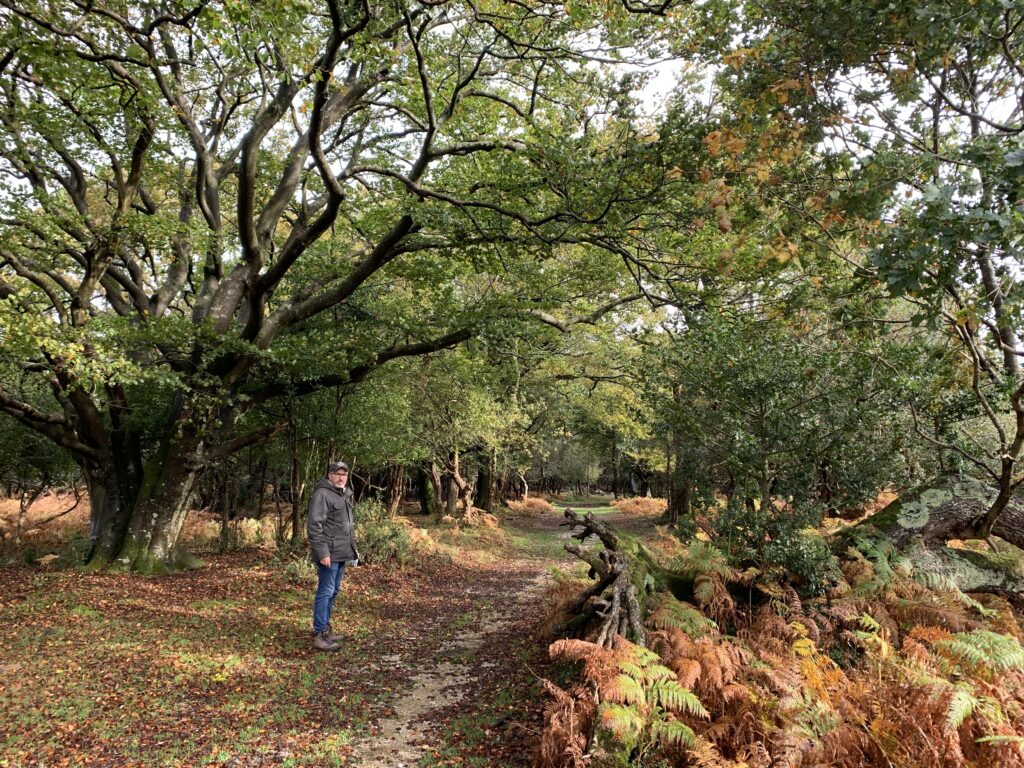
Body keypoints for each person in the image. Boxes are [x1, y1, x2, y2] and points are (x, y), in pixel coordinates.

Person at [307, 460, 359, 651]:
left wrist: (353, 551)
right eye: (337, 473)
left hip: (341, 552)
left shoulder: (343, 494)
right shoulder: (322, 494)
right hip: (329, 553)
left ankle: (326, 629)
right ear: (330, 475)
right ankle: (319, 634)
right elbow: (314, 525)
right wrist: (322, 552)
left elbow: (345, 528)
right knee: (325, 591)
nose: (340, 477)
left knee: (334, 591)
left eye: (343, 474)